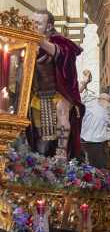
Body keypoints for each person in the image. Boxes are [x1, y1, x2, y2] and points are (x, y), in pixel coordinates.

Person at [29, 9, 85, 160]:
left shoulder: (59, 41)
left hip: (59, 92)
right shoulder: (28, 43)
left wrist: (38, 40)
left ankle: (61, 151)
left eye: (38, 23)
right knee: (41, 140)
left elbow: (61, 53)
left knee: (62, 109)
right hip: (38, 95)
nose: (33, 26)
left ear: (48, 26)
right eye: (32, 22)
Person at [80, 76, 110, 170]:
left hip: (83, 143)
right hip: (98, 146)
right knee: (101, 175)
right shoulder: (109, 107)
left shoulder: (89, 101)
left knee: (86, 174)